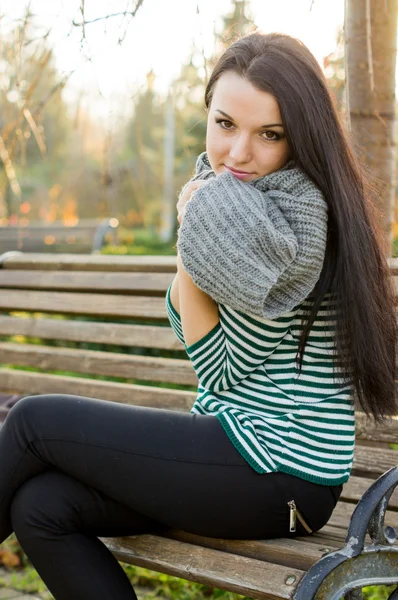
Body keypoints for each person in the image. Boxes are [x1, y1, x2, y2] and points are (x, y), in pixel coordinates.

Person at [0, 31, 396, 600]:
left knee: (34, 421)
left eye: (270, 134)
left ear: (301, 137)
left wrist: (193, 231)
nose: (237, 152)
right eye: (225, 123)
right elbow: (199, 330)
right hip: (240, 453)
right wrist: (199, 230)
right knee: (42, 507)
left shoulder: (291, 227)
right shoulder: (232, 203)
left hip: (281, 474)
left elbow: (219, 369)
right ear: (207, 112)